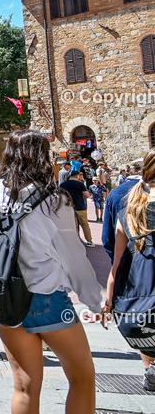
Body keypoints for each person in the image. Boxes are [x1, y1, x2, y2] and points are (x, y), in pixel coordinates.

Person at [0, 129, 104, 414]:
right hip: (44, 293)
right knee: (82, 377)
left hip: (3, 296)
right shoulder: (52, 200)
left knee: (25, 384)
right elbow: (74, 256)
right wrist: (94, 300)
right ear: (42, 157)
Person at [104, 151, 155, 390]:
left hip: (139, 290)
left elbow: (117, 262)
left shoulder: (129, 210)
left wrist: (109, 301)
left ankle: (150, 370)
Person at [60, 170, 94, 247]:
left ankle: (76, 240)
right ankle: (89, 241)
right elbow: (87, 195)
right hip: (80, 206)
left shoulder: (63, 184)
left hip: (68, 207)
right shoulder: (80, 184)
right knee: (84, 224)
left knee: (73, 225)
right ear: (77, 176)